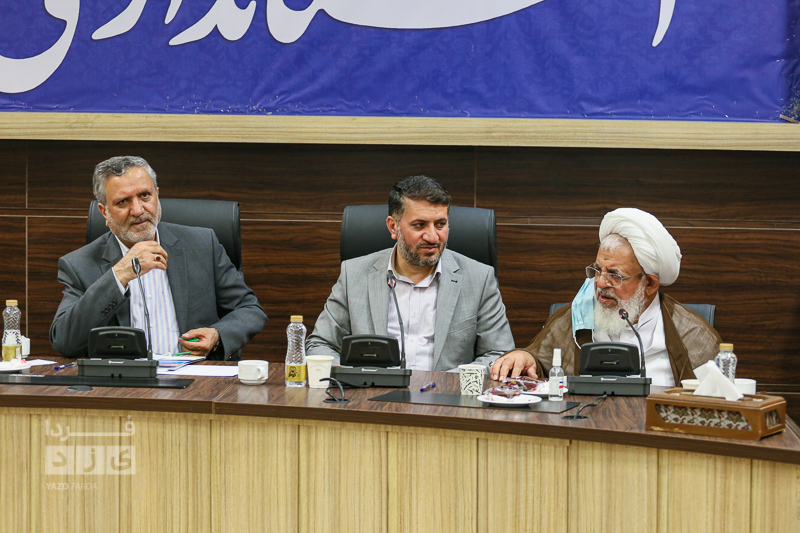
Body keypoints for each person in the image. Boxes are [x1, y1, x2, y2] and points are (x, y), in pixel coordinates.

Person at [50, 156, 267, 360]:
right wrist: (118, 276)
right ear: (104, 212)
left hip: (195, 377)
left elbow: (249, 309)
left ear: (157, 195)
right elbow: (65, 341)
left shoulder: (202, 245)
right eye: (123, 202)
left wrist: (216, 335)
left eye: (145, 196)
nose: (138, 210)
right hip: (124, 381)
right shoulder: (79, 265)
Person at [491, 207, 721, 386]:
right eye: (597, 270)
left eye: (615, 275)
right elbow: (540, 360)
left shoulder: (692, 335)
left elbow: (711, 405)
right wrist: (524, 357)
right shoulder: (576, 317)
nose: (600, 283)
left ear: (649, 284)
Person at [306, 175, 515, 371]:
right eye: (419, 225)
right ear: (393, 227)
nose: (433, 237)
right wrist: (361, 379)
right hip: (372, 394)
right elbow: (321, 344)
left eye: (440, 224)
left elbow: (499, 354)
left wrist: (447, 383)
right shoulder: (354, 274)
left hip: (447, 395)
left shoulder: (479, 279)